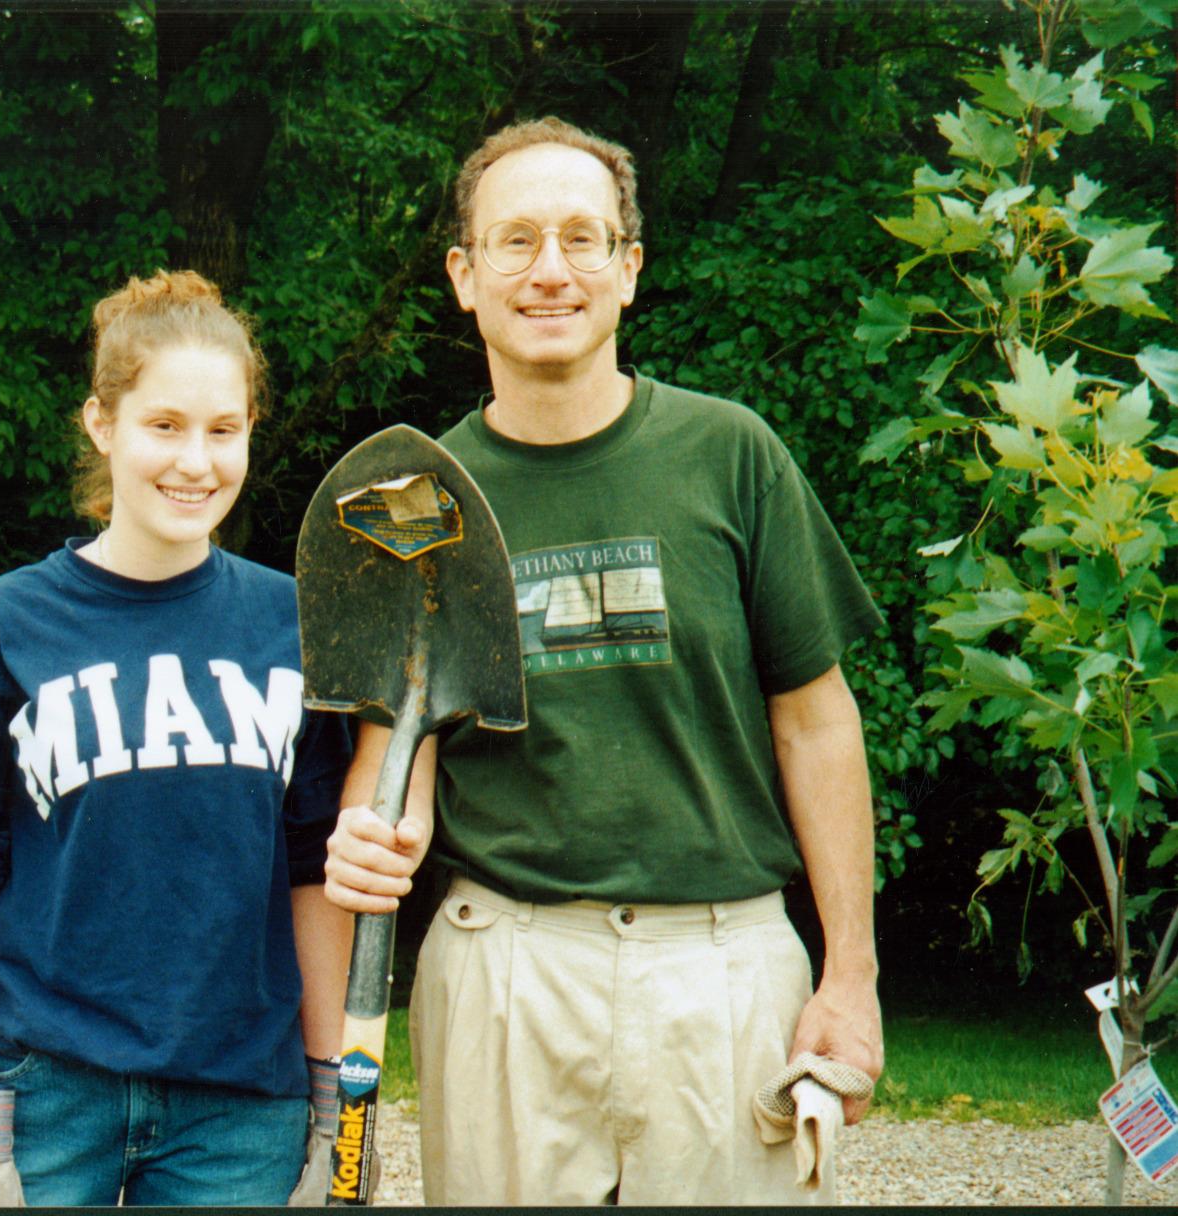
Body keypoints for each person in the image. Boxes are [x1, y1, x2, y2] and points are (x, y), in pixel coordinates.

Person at [322, 117, 885, 1205]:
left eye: (582, 240)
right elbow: (395, 761)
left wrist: (848, 973)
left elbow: (815, 724)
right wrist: (368, 839)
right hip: (504, 968)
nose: (548, 271)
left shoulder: (730, 455)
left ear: (627, 272)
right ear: (461, 276)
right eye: (513, 240)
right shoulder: (413, 505)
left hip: (721, 970)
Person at [0, 270, 353, 1206]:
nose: (196, 461)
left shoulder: (296, 628)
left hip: (240, 1108)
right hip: (44, 1092)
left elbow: (317, 869)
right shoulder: (0, 627)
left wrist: (326, 1091)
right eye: (165, 426)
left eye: (224, 430)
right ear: (102, 425)